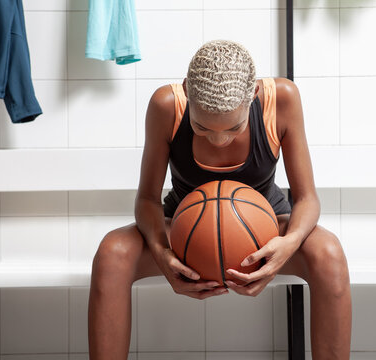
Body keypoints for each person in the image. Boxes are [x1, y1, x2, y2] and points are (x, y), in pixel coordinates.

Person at [88, 40, 352, 360]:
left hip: (263, 231)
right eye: (201, 127)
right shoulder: (166, 105)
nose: (219, 139)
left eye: (234, 127)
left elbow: (308, 199)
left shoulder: (281, 100)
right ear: (187, 92)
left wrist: (290, 243)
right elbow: (147, 199)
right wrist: (161, 252)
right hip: (184, 230)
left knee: (329, 252)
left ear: (252, 95)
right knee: (112, 252)